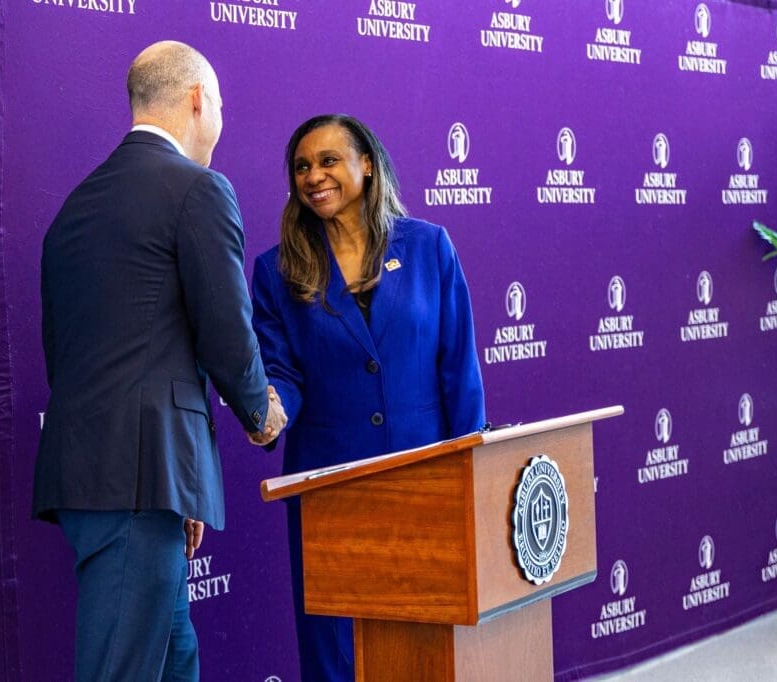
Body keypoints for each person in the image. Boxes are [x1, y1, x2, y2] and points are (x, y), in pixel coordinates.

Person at [32, 41, 286, 682]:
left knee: (174, 657)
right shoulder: (199, 190)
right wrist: (261, 412)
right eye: (221, 103)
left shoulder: (74, 208)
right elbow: (227, 333)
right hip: (139, 479)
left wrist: (182, 478)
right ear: (198, 99)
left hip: (106, 475)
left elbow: (66, 354)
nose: (222, 118)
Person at [251, 114, 485, 682]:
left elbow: (458, 366)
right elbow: (282, 370)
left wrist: (473, 465)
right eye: (302, 166)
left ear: (367, 166)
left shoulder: (429, 246)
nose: (314, 176)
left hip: (423, 473)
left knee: (423, 643)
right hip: (328, 484)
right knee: (334, 651)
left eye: (329, 161)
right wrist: (269, 411)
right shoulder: (274, 270)